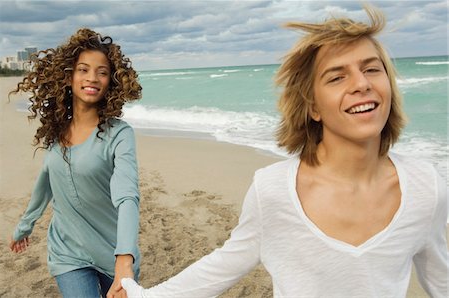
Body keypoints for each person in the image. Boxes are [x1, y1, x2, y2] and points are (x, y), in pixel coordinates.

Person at [120, 5, 448, 298]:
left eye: (372, 69)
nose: (361, 83)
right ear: (313, 107)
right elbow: (222, 265)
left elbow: (441, 281)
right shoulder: (274, 191)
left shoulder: (425, 187)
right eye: (337, 77)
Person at [9, 28, 142, 298]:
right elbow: (46, 181)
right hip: (67, 251)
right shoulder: (56, 132)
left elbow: (128, 196)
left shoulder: (119, 134)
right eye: (83, 69)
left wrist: (125, 258)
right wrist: (25, 225)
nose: (92, 78)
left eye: (102, 72)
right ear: (69, 77)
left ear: (111, 82)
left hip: (112, 250)